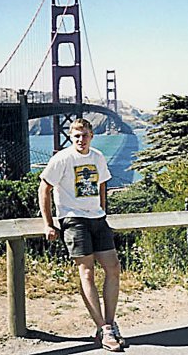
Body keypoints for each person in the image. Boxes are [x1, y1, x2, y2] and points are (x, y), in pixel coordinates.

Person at [38, 118, 124, 352]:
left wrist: (103, 211)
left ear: (91, 136)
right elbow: (44, 187)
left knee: (113, 267)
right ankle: (104, 329)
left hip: (97, 219)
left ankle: (109, 322)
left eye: (85, 135)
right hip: (73, 219)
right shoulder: (62, 159)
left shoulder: (97, 157)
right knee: (87, 271)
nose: (81, 140)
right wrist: (49, 223)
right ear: (70, 137)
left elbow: (102, 184)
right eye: (76, 136)